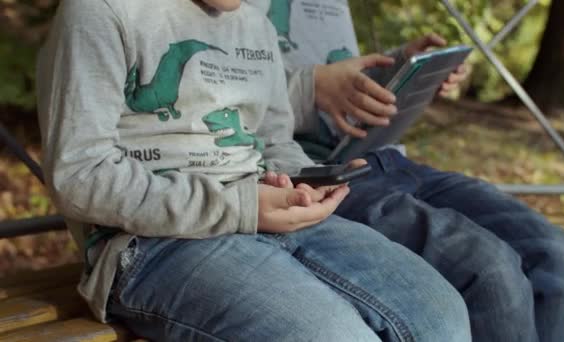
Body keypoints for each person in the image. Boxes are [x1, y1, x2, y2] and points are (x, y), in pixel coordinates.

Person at [36, 0, 472, 341]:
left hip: (262, 213)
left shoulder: (255, 25)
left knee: (440, 310)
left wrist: (303, 182)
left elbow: (276, 142)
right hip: (152, 245)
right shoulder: (101, 11)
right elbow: (79, 176)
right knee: (333, 335)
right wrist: (242, 207)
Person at [250, 0, 564, 341]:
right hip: (316, 175)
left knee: (550, 250)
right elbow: (213, 100)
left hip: (383, 155)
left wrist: (401, 72)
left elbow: (334, 74)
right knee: (488, 268)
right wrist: (310, 88)